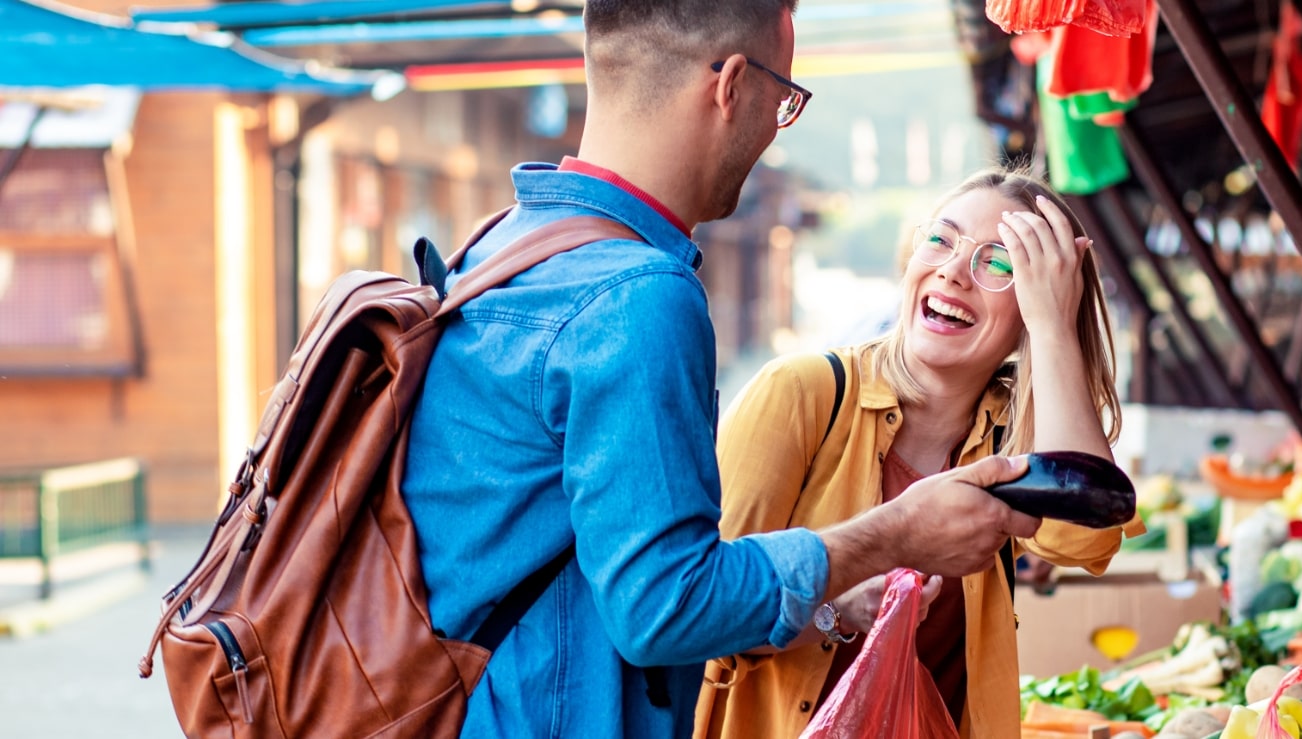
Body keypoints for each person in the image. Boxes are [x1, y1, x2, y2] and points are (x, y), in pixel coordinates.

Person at [398, 2, 1041, 736]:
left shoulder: (503, 249)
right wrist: (892, 534)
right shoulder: (637, 297)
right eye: (785, 99)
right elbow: (664, 606)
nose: (775, 129)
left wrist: (824, 606)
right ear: (733, 85)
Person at [696, 169, 1137, 738]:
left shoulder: (1009, 437)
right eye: (940, 240)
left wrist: (1053, 329)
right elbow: (703, 614)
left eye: (1000, 265)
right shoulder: (802, 393)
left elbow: (1085, 537)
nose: (953, 272)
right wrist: (836, 611)